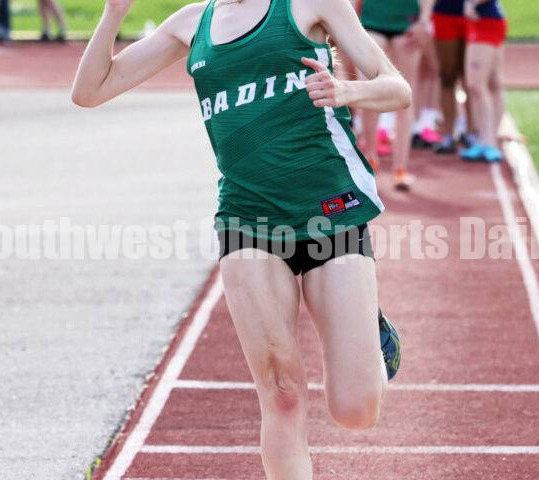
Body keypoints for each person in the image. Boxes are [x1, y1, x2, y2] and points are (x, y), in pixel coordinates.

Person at [72, 0, 409, 477]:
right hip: (246, 220)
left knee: (355, 410)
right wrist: (112, 15)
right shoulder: (192, 23)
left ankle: (374, 339)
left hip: (329, 212)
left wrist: (345, 89)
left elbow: (397, 88)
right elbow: (90, 91)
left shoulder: (310, 6)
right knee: (283, 393)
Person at [355, 0, 433, 191]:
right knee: (369, 90)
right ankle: (370, 156)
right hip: (371, 20)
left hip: (407, 24)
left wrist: (423, 21)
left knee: (405, 95)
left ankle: (400, 168)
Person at [459, 0, 506, 162]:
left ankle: (487, 142)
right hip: (485, 19)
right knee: (494, 84)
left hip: (485, 21)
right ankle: (488, 139)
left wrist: (471, 3)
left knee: (476, 85)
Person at [431, 0, 476, 153]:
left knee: (471, 78)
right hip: (445, 13)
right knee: (447, 76)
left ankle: (472, 131)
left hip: (474, 15)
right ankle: (448, 134)